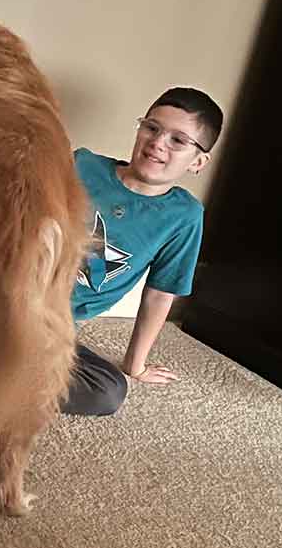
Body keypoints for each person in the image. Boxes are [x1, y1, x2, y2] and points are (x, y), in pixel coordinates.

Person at [63, 87, 223, 416]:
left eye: (178, 140)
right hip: (7, 300)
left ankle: (0, 377)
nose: (158, 142)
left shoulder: (183, 216)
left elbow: (160, 293)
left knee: (107, 392)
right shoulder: (82, 164)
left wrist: (135, 365)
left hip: (55, 331)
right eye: (151, 127)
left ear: (198, 161)